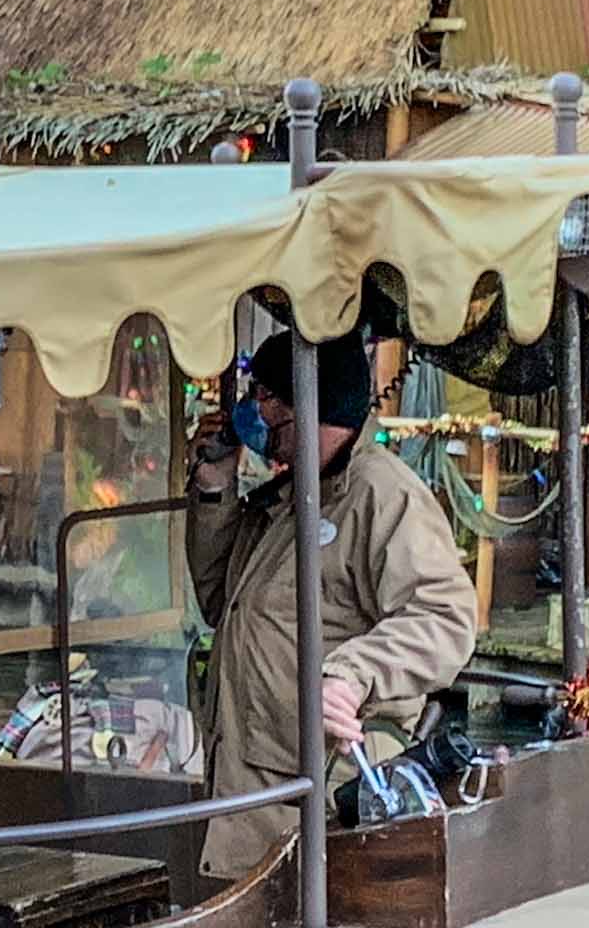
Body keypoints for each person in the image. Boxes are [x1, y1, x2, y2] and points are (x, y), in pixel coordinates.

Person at [185, 330, 476, 880]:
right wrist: (213, 492)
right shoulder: (291, 494)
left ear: (301, 406)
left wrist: (353, 674)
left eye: (264, 396)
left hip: (322, 797)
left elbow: (447, 615)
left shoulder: (380, 493)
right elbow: (222, 602)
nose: (252, 411)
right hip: (252, 788)